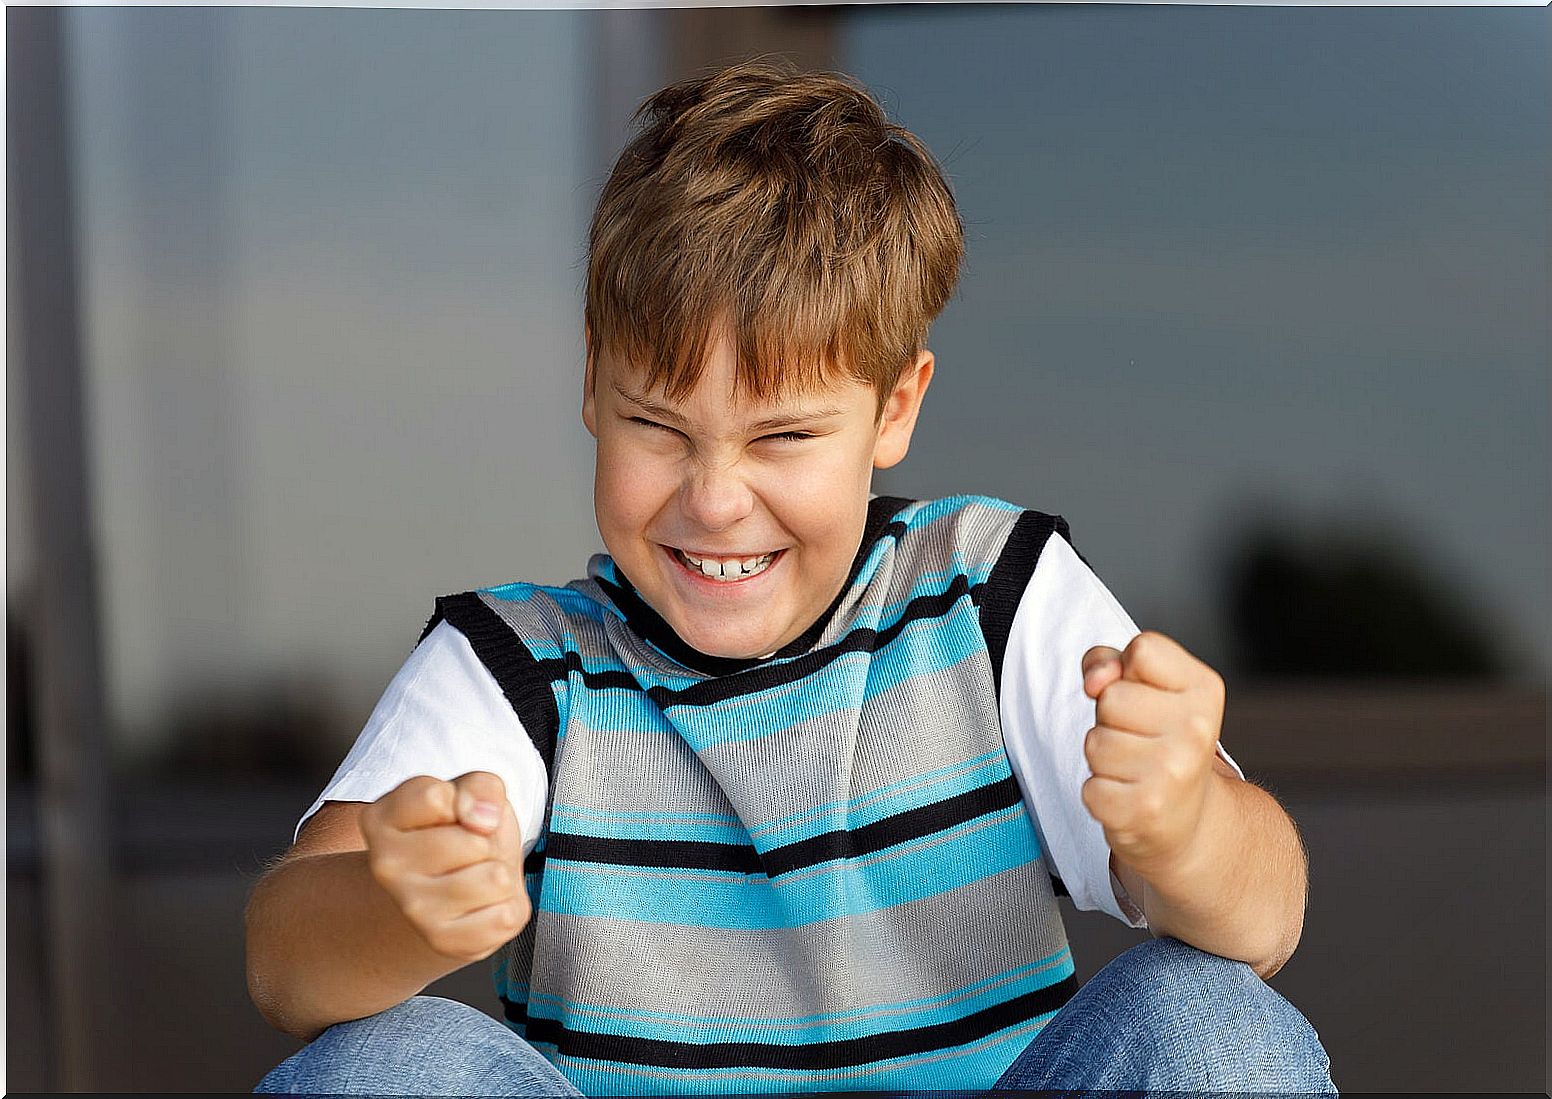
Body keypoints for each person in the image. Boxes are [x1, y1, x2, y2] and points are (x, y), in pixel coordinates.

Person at [246, 58, 1336, 1096]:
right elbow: (288, 969)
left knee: (1208, 1023)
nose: (715, 498)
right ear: (592, 382)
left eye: (782, 438)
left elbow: (1266, 918)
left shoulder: (987, 595)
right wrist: (397, 908)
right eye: (657, 427)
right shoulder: (517, 669)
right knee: (389, 1064)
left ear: (893, 409)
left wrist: (1183, 824)